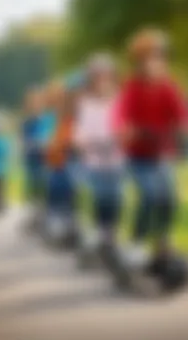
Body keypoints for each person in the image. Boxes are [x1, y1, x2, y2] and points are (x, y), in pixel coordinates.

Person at [116, 28, 188, 277]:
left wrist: (186, 126)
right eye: (150, 57)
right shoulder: (132, 88)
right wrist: (125, 129)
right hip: (138, 156)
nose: (156, 62)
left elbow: (183, 114)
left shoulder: (168, 87)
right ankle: (137, 242)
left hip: (162, 155)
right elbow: (121, 115)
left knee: (169, 198)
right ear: (139, 61)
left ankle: (162, 241)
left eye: (160, 57)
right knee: (149, 196)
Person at [73, 53, 124, 265]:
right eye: (98, 76)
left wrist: (121, 138)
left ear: (112, 78)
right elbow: (80, 130)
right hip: (94, 158)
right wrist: (84, 142)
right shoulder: (85, 103)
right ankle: (101, 236)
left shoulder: (119, 101)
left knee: (116, 198)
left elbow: (124, 125)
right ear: (92, 79)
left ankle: (111, 236)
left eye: (106, 76)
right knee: (101, 197)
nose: (102, 80)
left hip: (116, 157)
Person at [44, 88, 79, 246]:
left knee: (69, 191)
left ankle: (69, 225)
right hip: (59, 163)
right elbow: (52, 144)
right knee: (57, 187)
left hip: (73, 163)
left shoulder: (76, 122)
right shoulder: (58, 121)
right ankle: (59, 223)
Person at [21, 88, 48, 230]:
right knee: (32, 186)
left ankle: (42, 216)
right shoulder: (27, 122)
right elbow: (25, 140)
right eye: (33, 103)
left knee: (42, 186)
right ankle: (34, 215)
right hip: (32, 159)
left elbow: (47, 137)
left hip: (43, 159)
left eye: (38, 102)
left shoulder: (45, 120)